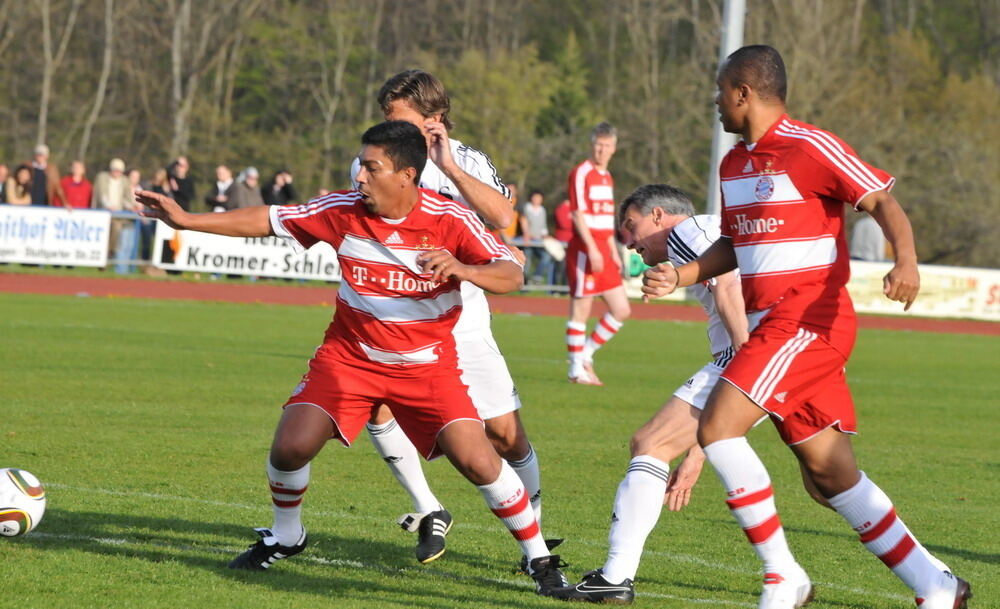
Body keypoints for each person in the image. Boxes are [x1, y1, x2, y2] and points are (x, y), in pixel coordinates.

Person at [134, 120, 568, 596]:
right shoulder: (342, 209)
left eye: (370, 166)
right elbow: (269, 219)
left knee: (478, 460)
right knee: (290, 446)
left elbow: (511, 272)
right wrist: (187, 220)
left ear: (406, 175)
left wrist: (463, 268)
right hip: (350, 360)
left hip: (426, 365)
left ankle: (540, 561)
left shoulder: (449, 219)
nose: (359, 176)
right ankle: (286, 535)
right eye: (361, 164)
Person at [641, 45, 969, 609]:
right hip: (775, 324)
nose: (716, 103)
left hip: (810, 319)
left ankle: (782, 575)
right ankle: (937, 587)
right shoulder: (732, 164)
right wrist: (682, 274)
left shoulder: (812, 146)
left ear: (744, 92)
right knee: (829, 476)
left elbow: (882, 203)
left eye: (720, 92)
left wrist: (906, 259)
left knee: (718, 427)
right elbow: (733, 245)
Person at [347, 69, 557, 568]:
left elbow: (503, 218)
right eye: (384, 116)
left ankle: (536, 545)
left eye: (396, 117)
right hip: (397, 312)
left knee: (505, 435)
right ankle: (429, 509)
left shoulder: (465, 159)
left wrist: (450, 168)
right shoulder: (370, 161)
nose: (386, 126)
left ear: (434, 120)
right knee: (376, 404)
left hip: (461, 316)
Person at [553, 183, 764, 603]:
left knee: (649, 443)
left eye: (631, 227)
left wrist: (746, 366)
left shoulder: (688, 233)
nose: (630, 243)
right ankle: (928, 575)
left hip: (753, 355)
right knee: (828, 479)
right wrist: (702, 448)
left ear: (658, 217)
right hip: (778, 355)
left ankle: (615, 578)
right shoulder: (704, 234)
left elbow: (727, 286)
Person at [565, 122, 631, 385]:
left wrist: (613, 250)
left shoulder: (607, 176)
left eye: (607, 146)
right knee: (581, 310)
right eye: (598, 145)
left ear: (614, 148)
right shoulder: (581, 173)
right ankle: (574, 370)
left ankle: (586, 355)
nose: (602, 150)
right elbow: (577, 213)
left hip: (605, 246)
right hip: (585, 247)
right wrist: (592, 247)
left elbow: (606, 216)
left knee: (622, 309)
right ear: (592, 145)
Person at [93, 158, 138, 272]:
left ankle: (110, 253)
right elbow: (101, 195)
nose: (117, 173)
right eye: (115, 170)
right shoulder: (102, 177)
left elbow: (126, 199)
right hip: (103, 213)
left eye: (119, 171)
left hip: (118, 215)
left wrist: (132, 206)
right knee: (103, 236)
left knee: (116, 229)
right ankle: (103, 257)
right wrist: (108, 205)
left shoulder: (124, 181)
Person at [519, 189, 554, 284]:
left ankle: (537, 276)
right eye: (535, 197)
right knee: (527, 262)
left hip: (538, 241)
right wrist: (526, 234)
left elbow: (543, 226)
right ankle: (524, 285)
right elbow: (523, 221)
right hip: (528, 240)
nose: (536, 199)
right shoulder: (526, 207)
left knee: (546, 256)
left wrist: (546, 236)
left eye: (539, 198)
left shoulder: (542, 210)